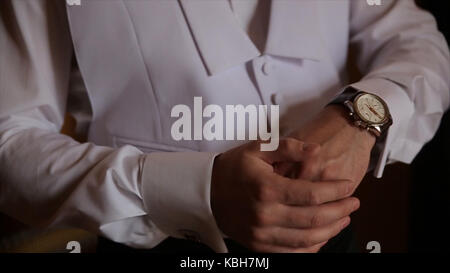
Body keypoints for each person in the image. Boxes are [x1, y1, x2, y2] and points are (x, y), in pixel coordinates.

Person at [0, 0, 448, 253]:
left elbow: (413, 38)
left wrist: (361, 115)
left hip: (335, 237)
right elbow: (9, 137)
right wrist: (193, 191)